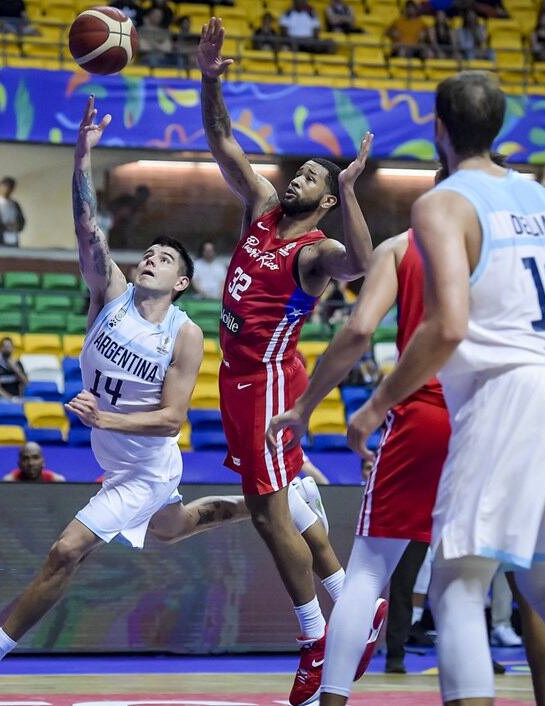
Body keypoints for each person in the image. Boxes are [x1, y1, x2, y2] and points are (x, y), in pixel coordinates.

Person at [0, 95, 347, 698]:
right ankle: (295, 500)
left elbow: (173, 419)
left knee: (65, 551)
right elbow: (87, 226)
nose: (149, 257)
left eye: (165, 258)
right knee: (177, 528)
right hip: (115, 459)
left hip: (144, 466)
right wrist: (81, 159)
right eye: (147, 252)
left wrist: (107, 417)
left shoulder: (185, 333)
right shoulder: (110, 292)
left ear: (182, 282)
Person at [346, 70, 545, 706]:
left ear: (438, 130)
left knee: (455, 584)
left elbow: (447, 325)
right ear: (500, 126)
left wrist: (374, 405)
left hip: (515, 394)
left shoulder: (443, 202)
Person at [270, 154, 545, 705]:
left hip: (426, 415)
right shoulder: (516, 250)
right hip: (505, 417)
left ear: (433, 187)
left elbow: (359, 329)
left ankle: (330, 701)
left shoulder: (402, 248)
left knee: (366, 573)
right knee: (530, 587)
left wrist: (307, 405)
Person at [198, 19, 378, 705]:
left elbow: (362, 264)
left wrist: (353, 191)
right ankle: (350, 608)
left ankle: (317, 639)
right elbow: (221, 140)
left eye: (312, 177)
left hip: (269, 383)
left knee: (270, 512)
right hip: (237, 375)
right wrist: (211, 78)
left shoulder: (315, 252)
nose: (296, 177)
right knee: (277, 507)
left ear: (326, 202)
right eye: (299, 171)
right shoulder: (264, 209)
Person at [2, 442, 66, 482]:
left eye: (35, 458)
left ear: (43, 462)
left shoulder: (55, 481)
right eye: (25, 459)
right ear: (19, 464)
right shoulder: (10, 481)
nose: (31, 463)